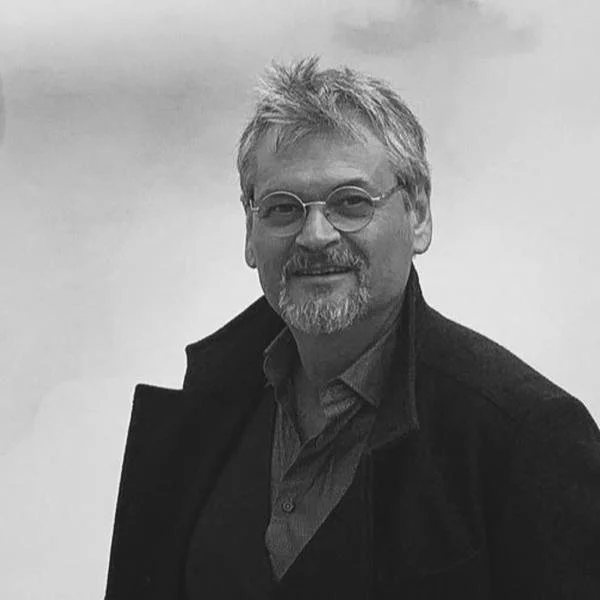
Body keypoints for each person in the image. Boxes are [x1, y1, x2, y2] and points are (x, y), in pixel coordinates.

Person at [104, 57, 600, 599]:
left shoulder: (527, 438)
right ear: (250, 230)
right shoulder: (200, 420)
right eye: (283, 208)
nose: (315, 235)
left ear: (418, 214)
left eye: (350, 203)